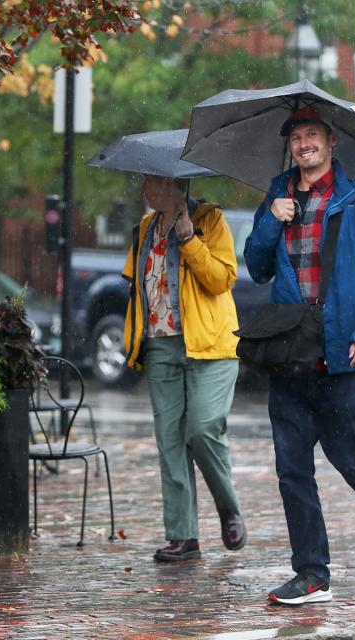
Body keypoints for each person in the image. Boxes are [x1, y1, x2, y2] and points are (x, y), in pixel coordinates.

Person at [243, 106, 355, 605]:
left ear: (330, 142)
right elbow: (257, 267)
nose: (304, 144)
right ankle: (312, 573)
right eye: (297, 138)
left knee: (351, 458)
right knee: (292, 468)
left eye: (312, 135)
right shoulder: (277, 197)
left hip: (342, 350)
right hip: (290, 354)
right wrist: (268, 222)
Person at [122, 174, 247, 562]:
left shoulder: (209, 220)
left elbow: (222, 279)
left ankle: (228, 508)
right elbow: (137, 284)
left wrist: (190, 240)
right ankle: (183, 536)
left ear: (176, 185)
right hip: (161, 345)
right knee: (170, 440)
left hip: (210, 343)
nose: (145, 189)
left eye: (153, 182)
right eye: (144, 182)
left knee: (203, 428)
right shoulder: (144, 228)